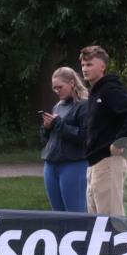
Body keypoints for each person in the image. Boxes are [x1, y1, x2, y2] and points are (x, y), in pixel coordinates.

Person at [80, 45, 127, 216]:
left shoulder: (109, 89)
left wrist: (118, 142)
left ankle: (120, 238)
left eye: (89, 64)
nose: (85, 69)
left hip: (108, 162)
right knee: (95, 220)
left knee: (110, 220)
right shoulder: (94, 92)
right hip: (94, 164)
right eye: (83, 65)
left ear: (102, 66)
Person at [41, 67, 89, 212]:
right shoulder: (58, 106)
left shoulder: (84, 105)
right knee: (57, 214)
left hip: (73, 164)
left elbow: (84, 136)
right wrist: (46, 127)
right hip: (51, 163)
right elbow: (47, 138)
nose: (57, 91)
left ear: (72, 83)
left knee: (75, 213)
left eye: (60, 87)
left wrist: (58, 124)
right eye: (54, 88)